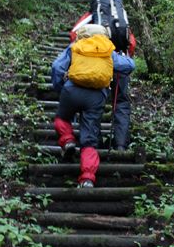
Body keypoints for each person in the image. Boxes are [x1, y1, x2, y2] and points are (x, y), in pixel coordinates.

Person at [51, 25, 135, 188]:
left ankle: (68, 140)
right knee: (89, 139)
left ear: (81, 34)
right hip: (96, 97)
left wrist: (60, 88)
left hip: (72, 90)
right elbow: (130, 65)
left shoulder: (74, 47)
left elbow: (56, 67)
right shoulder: (107, 50)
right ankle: (87, 178)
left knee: (62, 118)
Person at [70, 10, 136, 151]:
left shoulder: (90, 15)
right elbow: (131, 42)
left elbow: (74, 34)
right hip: (120, 60)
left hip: (94, 66)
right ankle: (120, 144)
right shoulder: (120, 15)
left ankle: (94, 142)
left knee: (91, 101)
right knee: (121, 103)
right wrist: (125, 57)